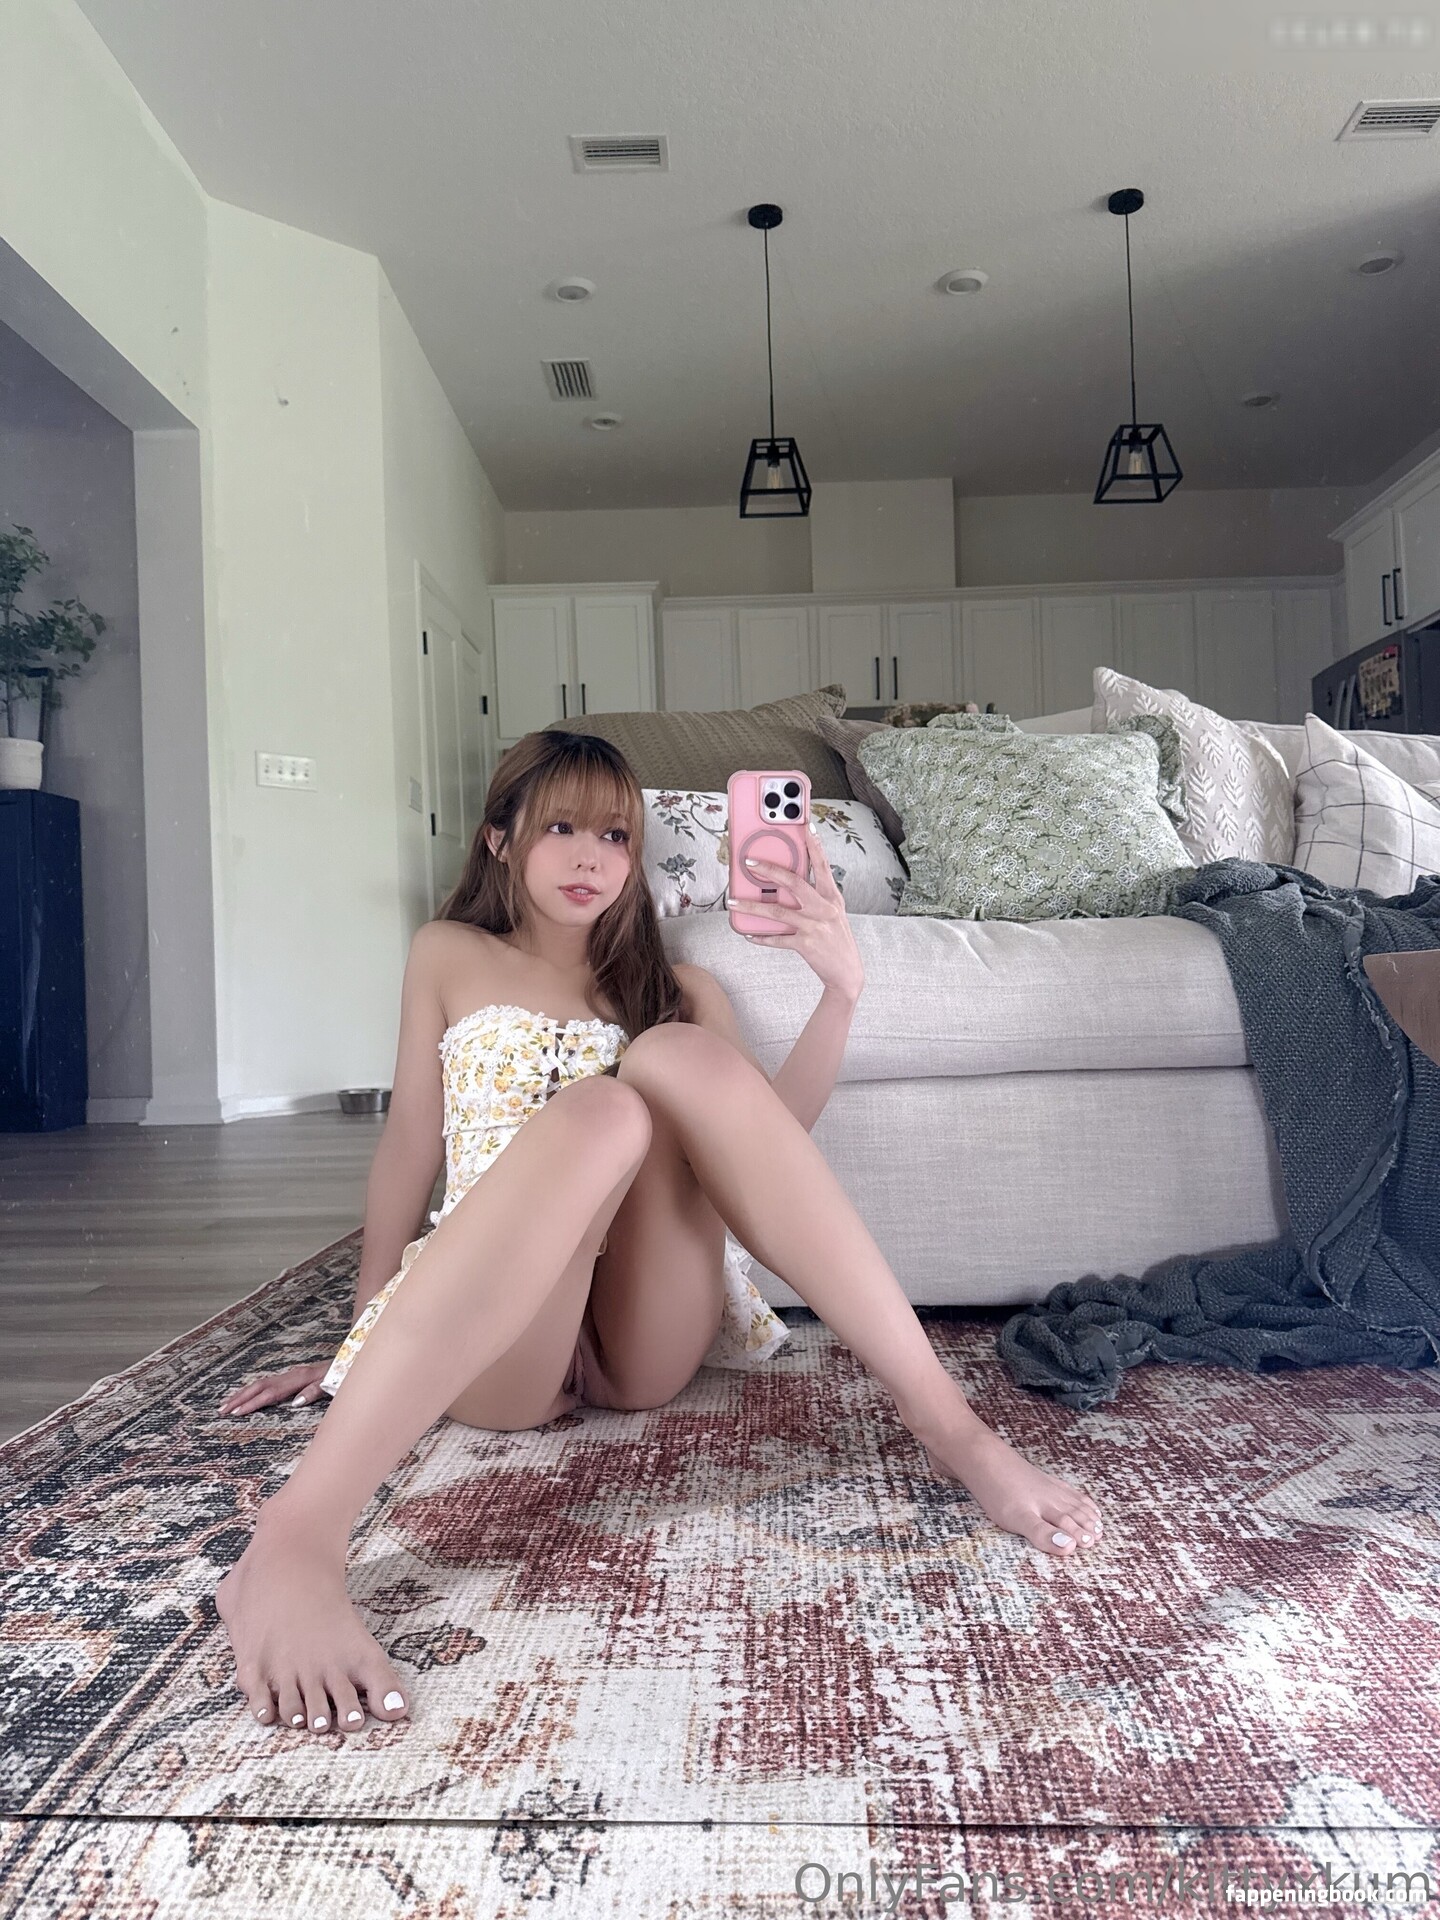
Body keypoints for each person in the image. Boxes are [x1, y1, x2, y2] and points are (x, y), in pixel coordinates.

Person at [214, 731, 1102, 1736]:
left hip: (642, 1336)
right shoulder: (448, 954)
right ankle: (295, 1542)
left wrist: (840, 990)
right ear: (498, 839)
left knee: (675, 1059)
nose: (591, 857)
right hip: (502, 1339)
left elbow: (764, 1151)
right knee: (603, 1112)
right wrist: (360, 1336)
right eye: (560, 828)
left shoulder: (679, 990)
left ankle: (954, 1430)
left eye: (615, 837)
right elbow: (410, 1144)